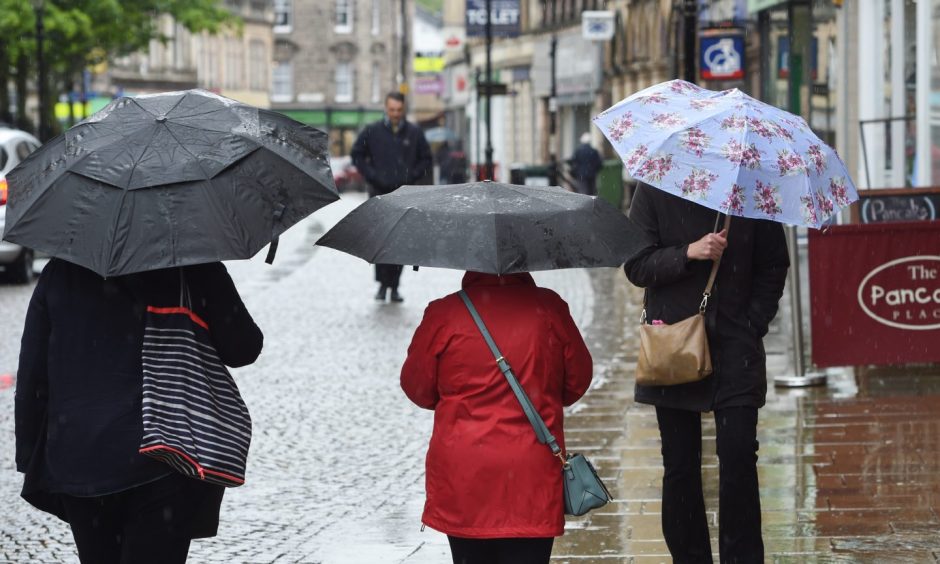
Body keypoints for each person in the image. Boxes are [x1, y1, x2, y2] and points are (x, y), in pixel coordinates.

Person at [15, 259, 263, 564]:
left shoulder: (62, 269)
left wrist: (30, 455)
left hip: (81, 456)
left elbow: (33, 372)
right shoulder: (190, 262)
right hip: (164, 452)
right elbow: (243, 348)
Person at [623, 182, 789, 563]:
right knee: (680, 466)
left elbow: (773, 264)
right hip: (674, 344)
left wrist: (753, 322)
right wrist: (689, 252)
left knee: (739, 459)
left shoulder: (751, 190)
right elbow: (636, 265)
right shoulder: (655, 189)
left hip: (736, 346)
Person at [401, 271, 593, 564]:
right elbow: (576, 382)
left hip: (466, 472)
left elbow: (417, 388)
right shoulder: (549, 308)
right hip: (531, 469)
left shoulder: (445, 313)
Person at [351, 91, 433, 303]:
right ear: (386, 109)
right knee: (381, 241)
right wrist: (372, 175)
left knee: (399, 243)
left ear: (403, 109)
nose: (395, 114)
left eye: (398, 110)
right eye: (392, 110)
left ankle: (394, 286)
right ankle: (382, 285)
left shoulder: (414, 133)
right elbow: (357, 154)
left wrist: (412, 176)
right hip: (379, 194)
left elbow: (426, 159)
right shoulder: (373, 131)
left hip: (404, 195)